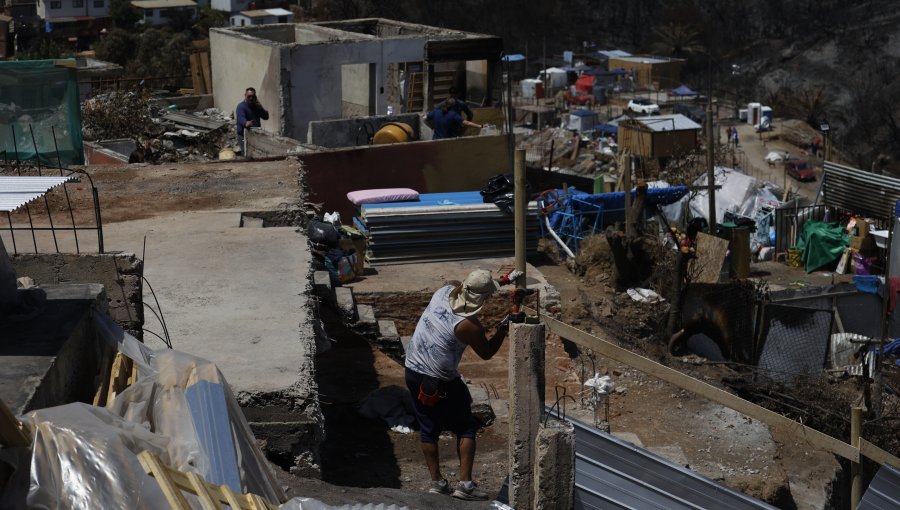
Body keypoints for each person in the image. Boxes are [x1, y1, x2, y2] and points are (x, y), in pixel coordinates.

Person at [404, 269, 520, 501]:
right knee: (466, 426)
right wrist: (503, 328)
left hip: (413, 370)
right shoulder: (468, 325)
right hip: (440, 379)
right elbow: (486, 353)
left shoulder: (443, 292)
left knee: (428, 429)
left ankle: (437, 482)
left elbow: (455, 282)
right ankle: (465, 485)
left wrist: (502, 281)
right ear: (483, 299)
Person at [235, 87, 269, 154]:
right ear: (245, 96)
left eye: (253, 96)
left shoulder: (256, 106)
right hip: (244, 137)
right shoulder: (241, 107)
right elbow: (241, 118)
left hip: (255, 136)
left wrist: (260, 107)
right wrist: (246, 123)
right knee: (246, 156)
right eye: (249, 96)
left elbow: (266, 117)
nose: (251, 98)